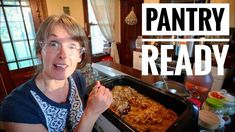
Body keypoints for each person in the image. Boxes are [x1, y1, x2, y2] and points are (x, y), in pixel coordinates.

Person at [0, 14, 113, 132]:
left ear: (79, 55)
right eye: (54, 44)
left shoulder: (77, 78)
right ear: (39, 51)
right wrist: (91, 113)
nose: (63, 55)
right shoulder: (16, 107)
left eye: (72, 46)